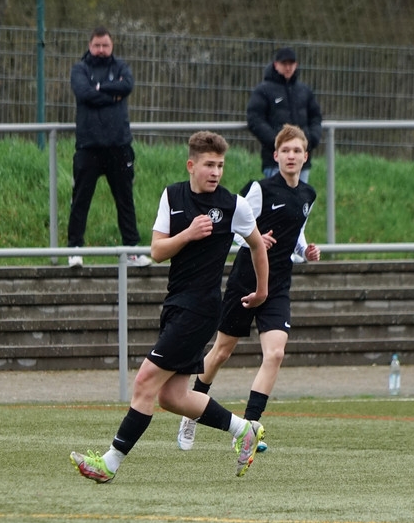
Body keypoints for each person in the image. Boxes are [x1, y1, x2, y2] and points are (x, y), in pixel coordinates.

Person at [70, 131, 269, 483]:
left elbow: (256, 245)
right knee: (173, 397)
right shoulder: (172, 195)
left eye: (220, 165)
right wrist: (188, 234)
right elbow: (157, 251)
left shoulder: (234, 205)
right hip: (176, 304)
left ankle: (109, 463)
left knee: (145, 381)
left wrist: (262, 291)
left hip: (200, 309)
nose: (215, 172)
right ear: (191, 165)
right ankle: (244, 429)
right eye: (209, 165)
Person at [177, 124, 320, 452]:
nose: (292, 156)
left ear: (306, 156)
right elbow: (233, 226)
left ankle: (249, 427)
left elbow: (296, 233)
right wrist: (254, 240)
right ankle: (192, 411)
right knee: (221, 352)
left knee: (276, 353)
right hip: (245, 281)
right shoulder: (260, 189)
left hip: (277, 285)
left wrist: (306, 251)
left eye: (297, 151)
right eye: (286, 151)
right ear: (275, 155)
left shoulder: (307, 195)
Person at [66, 26, 151, 268]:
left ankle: (132, 250)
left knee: (125, 200)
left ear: (111, 46)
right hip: (88, 146)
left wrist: (98, 88)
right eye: (97, 45)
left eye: (105, 45)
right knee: (80, 199)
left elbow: (127, 87)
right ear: (89, 46)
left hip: (119, 146)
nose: (101, 50)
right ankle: (74, 249)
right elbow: (83, 93)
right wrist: (111, 95)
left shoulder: (121, 67)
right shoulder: (80, 69)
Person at [246, 47, 323, 184]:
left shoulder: (304, 91)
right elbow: (255, 119)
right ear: (276, 65)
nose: (288, 67)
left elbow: (316, 117)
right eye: (284, 64)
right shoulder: (263, 90)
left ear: (296, 65)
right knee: (278, 196)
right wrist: (277, 142)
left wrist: (311, 139)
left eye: (291, 64)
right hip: (275, 162)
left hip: (302, 162)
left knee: (301, 196)